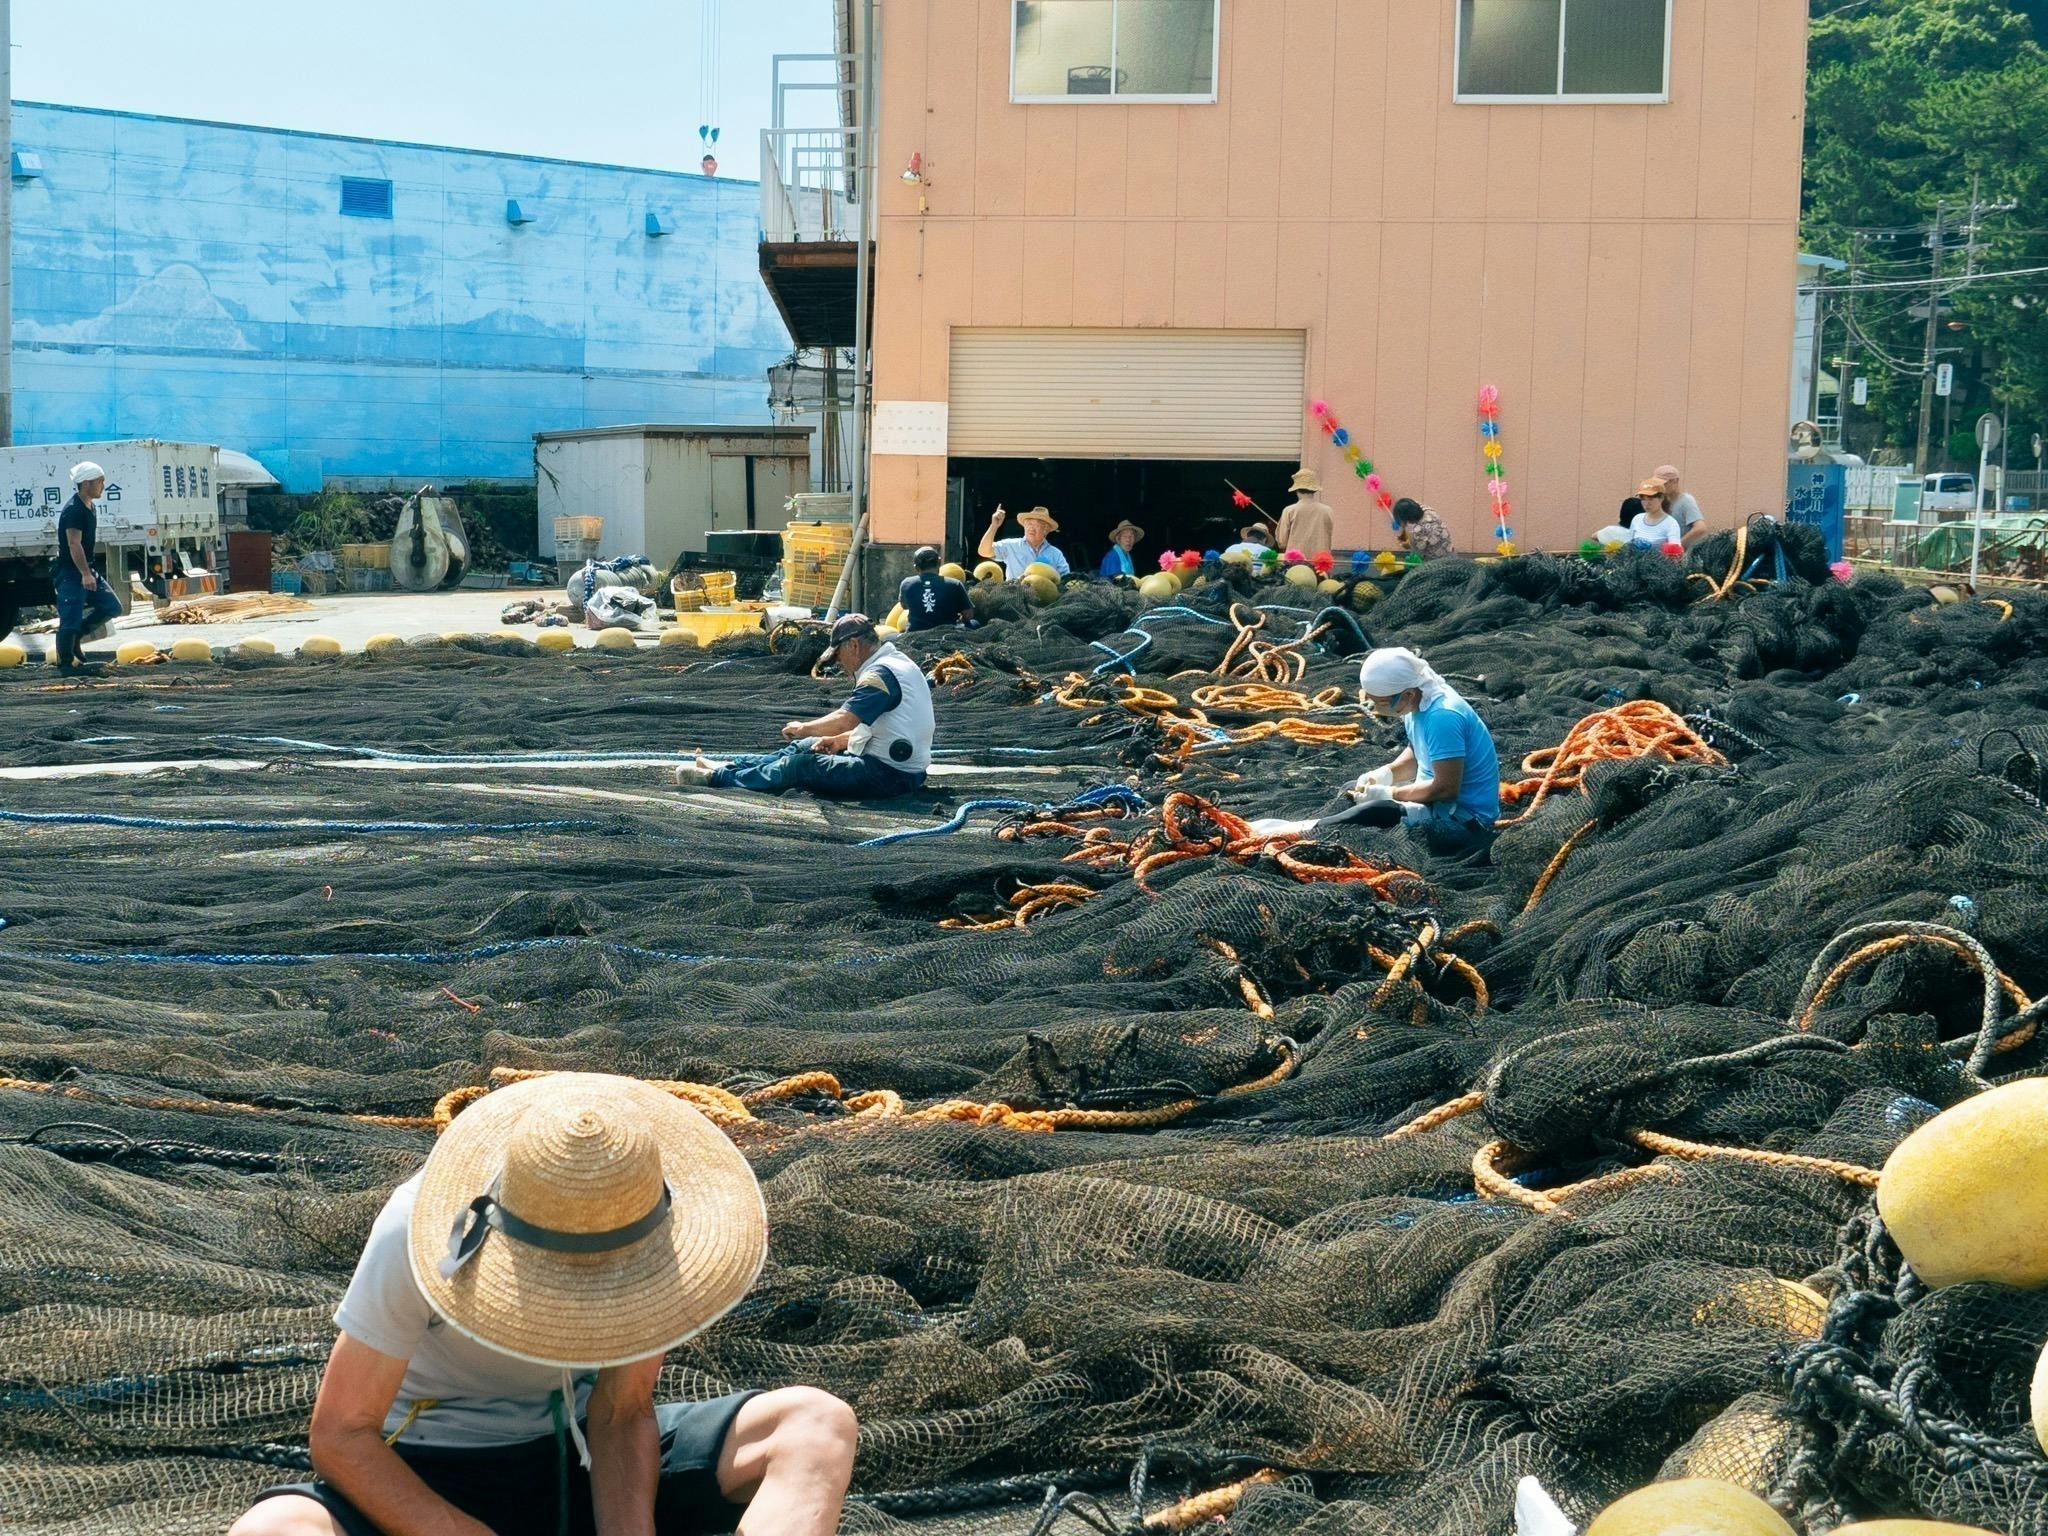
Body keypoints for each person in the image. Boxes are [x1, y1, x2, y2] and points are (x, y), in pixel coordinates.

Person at [228, 1071, 857, 1536]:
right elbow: (342, 1434)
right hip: (424, 1467)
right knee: (274, 1529)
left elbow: (621, 1412)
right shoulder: (418, 1229)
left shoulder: (658, 1233)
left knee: (815, 1424)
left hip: (577, 1454)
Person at [673, 614, 934, 800]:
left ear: (853, 645)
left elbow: (846, 719)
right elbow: (888, 726)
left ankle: (716, 779)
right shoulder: (895, 662)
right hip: (893, 765)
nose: (839, 664)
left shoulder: (878, 675)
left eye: (838, 655)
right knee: (806, 747)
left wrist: (804, 727)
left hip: (891, 776)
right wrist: (838, 741)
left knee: (799, 766)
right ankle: (732, 768)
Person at [1345, 647, 1501, 859]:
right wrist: (1386, 774)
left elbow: (1446, 789)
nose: (1375, 709)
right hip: (1434, 801)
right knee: (1352, 790)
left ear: (1408, 693)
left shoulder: (1442, 716)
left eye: (1381, 702)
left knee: (1375, 810)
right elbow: (1419, 752)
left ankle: (1301, 829)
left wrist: (1390, 793)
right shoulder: (1416, 702)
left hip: (1464, 819)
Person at [52, 460, 124, 674]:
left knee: (112, 607)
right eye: (100, 482)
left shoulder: (90, 506)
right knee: (70, 618)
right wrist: (85, 574)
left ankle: (76, 639)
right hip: (70, 573)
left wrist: (88, 572)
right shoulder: (74, 510)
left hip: (86, 569)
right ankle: (65, 664)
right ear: (86, 484)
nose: (103, 485)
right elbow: (74, 544)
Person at [978, 505, 1070, 580]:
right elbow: (984, 552)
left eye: (1037, 525)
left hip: (1048, 601)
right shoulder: (1010, 545)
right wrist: (994, 526)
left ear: (1046, 530)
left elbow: (1066, 580)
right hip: (1013, 599)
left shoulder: (1056, 554)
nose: (1031, 528)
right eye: (1029, 523)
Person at [898, 546, 975, 631]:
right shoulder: (955, 584)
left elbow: (904, 606)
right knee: (974, 623)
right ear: (939, 563)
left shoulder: (906, 583)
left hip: (914, 633)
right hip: (947, 634)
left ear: (916, 567)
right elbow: (968, 615)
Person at [1273, 470, 1335, 558]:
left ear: (1296, 490)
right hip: (1320, 562)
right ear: (1314, 490)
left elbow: (1282, 542)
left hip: (1295, 561)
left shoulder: (1289, 510)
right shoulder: (1327, 510)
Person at [1624, 480, 1685, 549]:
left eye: (1650, 499)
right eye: (1643, 499)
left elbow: (1675, 552)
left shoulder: (1671, 523)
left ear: (1661, 498)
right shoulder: (1637, 519)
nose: (1647, 503)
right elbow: (1628, 546)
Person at [1654, 465, 1706, 546]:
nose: (1661, 487)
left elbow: (1700, 528)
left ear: (1676, 481)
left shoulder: (1686, 500)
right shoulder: (1662, 500)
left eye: (1665, 484)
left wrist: (1677, 544)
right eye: (1658, 484)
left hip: (1680, 554)